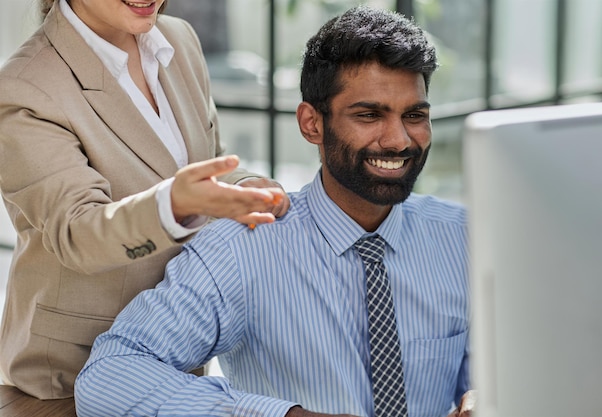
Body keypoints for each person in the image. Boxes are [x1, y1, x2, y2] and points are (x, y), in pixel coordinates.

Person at [75, 5, 473, 417]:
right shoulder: (240, 251)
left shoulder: (465, 238)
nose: (397, 140)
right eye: (369, 115)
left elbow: (499, 364)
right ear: (311, 124)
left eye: (415, 116)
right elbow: (108, 377)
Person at [0, 0, 289, 400]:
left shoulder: (178, 39)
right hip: (71, 375)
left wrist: (249, 186)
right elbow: (76, 232)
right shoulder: (26, 87)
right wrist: (174, 206)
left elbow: (204, 163)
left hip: (177, 352)